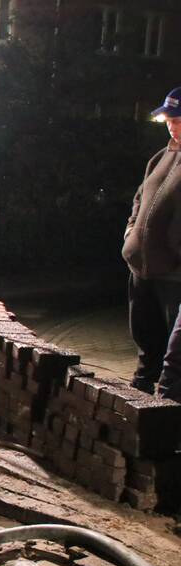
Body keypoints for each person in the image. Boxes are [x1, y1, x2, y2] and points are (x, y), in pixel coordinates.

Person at [123, 86, 181, 397]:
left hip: (174, 272)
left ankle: (168, 399)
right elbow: (139, 198)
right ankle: (142, 386)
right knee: (145, 332)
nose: (172, 126)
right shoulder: (161, 156)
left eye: (178, 120)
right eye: (169, 120)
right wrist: (131, 232)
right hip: (140, 265)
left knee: (174, 342)